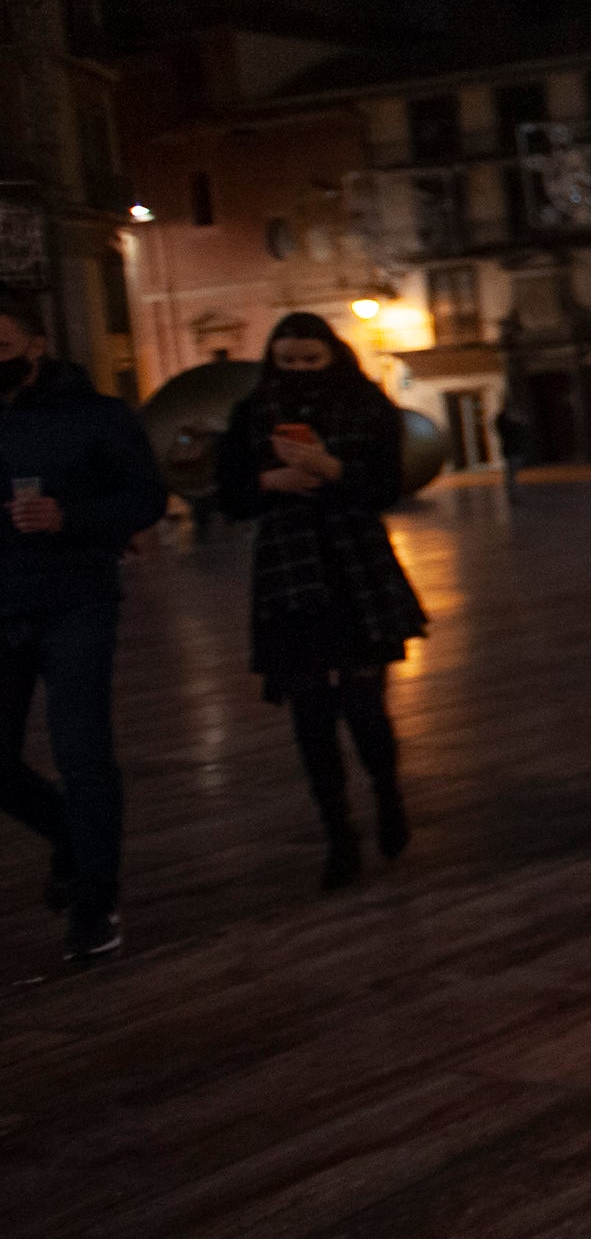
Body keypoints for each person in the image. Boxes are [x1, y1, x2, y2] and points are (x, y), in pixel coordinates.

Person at [215, 312, 431, 887]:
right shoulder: (253, 412)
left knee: (364, 706)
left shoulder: (366, 407)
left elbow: (387, 485)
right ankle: (338, 833)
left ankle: (387, 796)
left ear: (333, 356)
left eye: (311, 361)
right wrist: (268, 482)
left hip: (354, 567)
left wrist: (328, 468)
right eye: (287, 362)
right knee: (310, 717)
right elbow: (227, 492)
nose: (300, 372)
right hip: (290, 575)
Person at [0, 299, 167, 964]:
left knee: (84, 754)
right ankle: (72, 837)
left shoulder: (95, 415)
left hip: (75, 602)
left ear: (35, 345)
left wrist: (70, 516)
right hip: (0, 605)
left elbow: (145, 497)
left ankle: (96, 906)